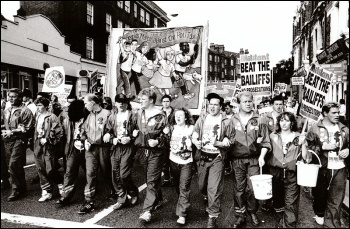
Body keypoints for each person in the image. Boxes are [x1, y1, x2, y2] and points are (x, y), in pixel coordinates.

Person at [192, 93, 235, 228]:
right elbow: (195, 133)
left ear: (220, 107)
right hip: (203, 157)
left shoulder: (226, 121)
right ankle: (206, 197)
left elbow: (230, 141)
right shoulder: (203, 118)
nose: (213, 107)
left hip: (217, 158)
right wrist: (195, 141)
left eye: (216, 104)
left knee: (214, 188)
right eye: (211, 104)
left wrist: (221, 143)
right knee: (201, 186)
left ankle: (212, 217)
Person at [259, 112, 308, 227]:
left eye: (287, 120)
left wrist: (304, 143)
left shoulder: (298, 136)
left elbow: (305, 157)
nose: (284, 123)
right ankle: (283, 219)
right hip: (275, 172)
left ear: (292, 123)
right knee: (278, 201)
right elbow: (265, 149)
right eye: (281, 120)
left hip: (292, 173)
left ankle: (289, 224)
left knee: (291, 202)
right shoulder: (272, 136)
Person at [229, 91, 271, 228]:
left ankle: (252, 211)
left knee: (253, 188)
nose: (247, 104)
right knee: (239, 189)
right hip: (237, 159)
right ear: (239, 103)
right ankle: (240, 215)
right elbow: (226, 138)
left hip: (254, 159)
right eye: (244, 102)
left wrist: (262, 156)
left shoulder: (260, 119)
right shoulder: (232, 119)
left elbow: (265, 140)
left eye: (249, 101)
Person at [306, 102, 349, 227]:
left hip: (340, 168)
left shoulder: (344, 128)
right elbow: (308, 148)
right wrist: (322, 147)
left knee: (337, 199)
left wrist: (348, 150)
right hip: (322, 168)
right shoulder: (314, 128)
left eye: (338, 112)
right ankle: (320, 213)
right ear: (325, 113)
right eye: (334, 113)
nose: (337, 115)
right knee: (320, 195)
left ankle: (332, 224)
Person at [133, 88, 168, 223]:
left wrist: (158, 141)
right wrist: (134, 133)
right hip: (142, 151)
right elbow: (133, 127)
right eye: (140, 98)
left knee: (151, 180)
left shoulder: (161, 116)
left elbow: (167, 135)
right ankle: (158, 198)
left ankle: (147, 211)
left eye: (143, 99)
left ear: (152, 100)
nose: (140, 100)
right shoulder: (139, 113)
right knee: (150, 179)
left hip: (156, 152)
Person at [103, 93, 138, 210]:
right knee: (115, 173)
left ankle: (133, 192)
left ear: (127, 103)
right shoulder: (112, 116)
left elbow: (138, 130)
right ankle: (122, 198)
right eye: (119, 102)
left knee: (124, 174)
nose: (121, 104)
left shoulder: (133, 115)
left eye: (123, 102)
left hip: (128, 147)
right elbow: (108, 130)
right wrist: (109, 135)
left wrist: (131, 138)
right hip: (116, 147)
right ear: (115, 103)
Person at [78, 94, 111, 214]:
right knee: (90, 172)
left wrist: (110, 134)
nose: (85, 105)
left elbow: (113, 129)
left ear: (93, 102)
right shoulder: (88, 116)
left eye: (86, 103)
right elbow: (83, 131)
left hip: (104, 148)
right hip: (91, 149)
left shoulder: (108, 114)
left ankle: (116, 191)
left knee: (107, 171)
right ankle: (89, 201)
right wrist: (84, 140)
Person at [2, 88, 35, 201]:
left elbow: (28, 128)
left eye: (13, 96)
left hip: (19, 141)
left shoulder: (25, 111)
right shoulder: (7, 110)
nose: (11, 98)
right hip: (7, 141)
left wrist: (12, 131)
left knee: (13, 165)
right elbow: (5, 124)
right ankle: (22, 187)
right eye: (9, 96)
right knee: (13, 166)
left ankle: (16, 190)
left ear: (20, 98)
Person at [56, 99, 87, 206]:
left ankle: (91, 193)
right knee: (69, 171)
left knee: (90, 172)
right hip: (72, 148)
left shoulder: (88, 118)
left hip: (87, 148)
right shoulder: (68, 120)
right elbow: (62, 133)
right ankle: (65, 197)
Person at [33, 97, 64, 202]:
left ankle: (61, 183)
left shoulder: (52, 117)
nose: (38, 107)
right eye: (37, 105)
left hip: (49, 145)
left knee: (50, 169)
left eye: (40, 105)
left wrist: (48, 139)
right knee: (40, 168)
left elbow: (59, 132)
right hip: (38, 144)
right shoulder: (37, 116)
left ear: (46, 106)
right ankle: (46, 191)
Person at [168, 107, 195, 225]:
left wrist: (194, 141)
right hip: (173, 161)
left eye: (181, 115)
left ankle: (182, 214)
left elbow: (196, 139)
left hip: (186, 162)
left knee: (184, 187)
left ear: (186, 117)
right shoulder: (171, 129)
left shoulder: (191, 128)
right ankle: (183, 203)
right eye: (176, 115)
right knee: (177, 186)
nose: (178, 117)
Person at [160, 95, 175, 187]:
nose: (166, 103)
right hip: (162, 140)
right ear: (161, 102)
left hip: (173, 139)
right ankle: (166, 179)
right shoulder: (159, 113)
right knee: (164, 160)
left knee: (173, 160)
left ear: (170, 102)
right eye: (164, 101)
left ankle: (173, 178)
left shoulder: (175, 112)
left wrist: (171, 129)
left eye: (167, 101)